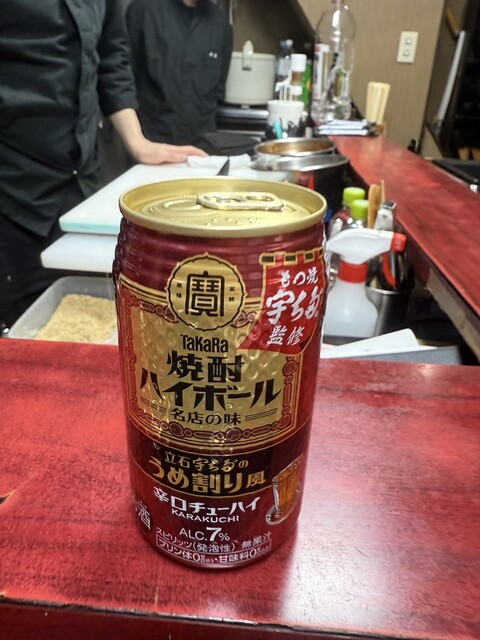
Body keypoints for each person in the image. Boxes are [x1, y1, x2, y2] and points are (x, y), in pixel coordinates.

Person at [0, 0, 207, 331]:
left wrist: (138, 142)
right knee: (22, 331)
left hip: (79, 183)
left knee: (94, 317)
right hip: (13, 191)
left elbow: (111, 57)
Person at [126, 0, 233, 153]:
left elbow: (218, 91)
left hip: (201, 151)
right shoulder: (143, 10)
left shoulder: (220, 23)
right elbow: (124, 85)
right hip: (152, 147)